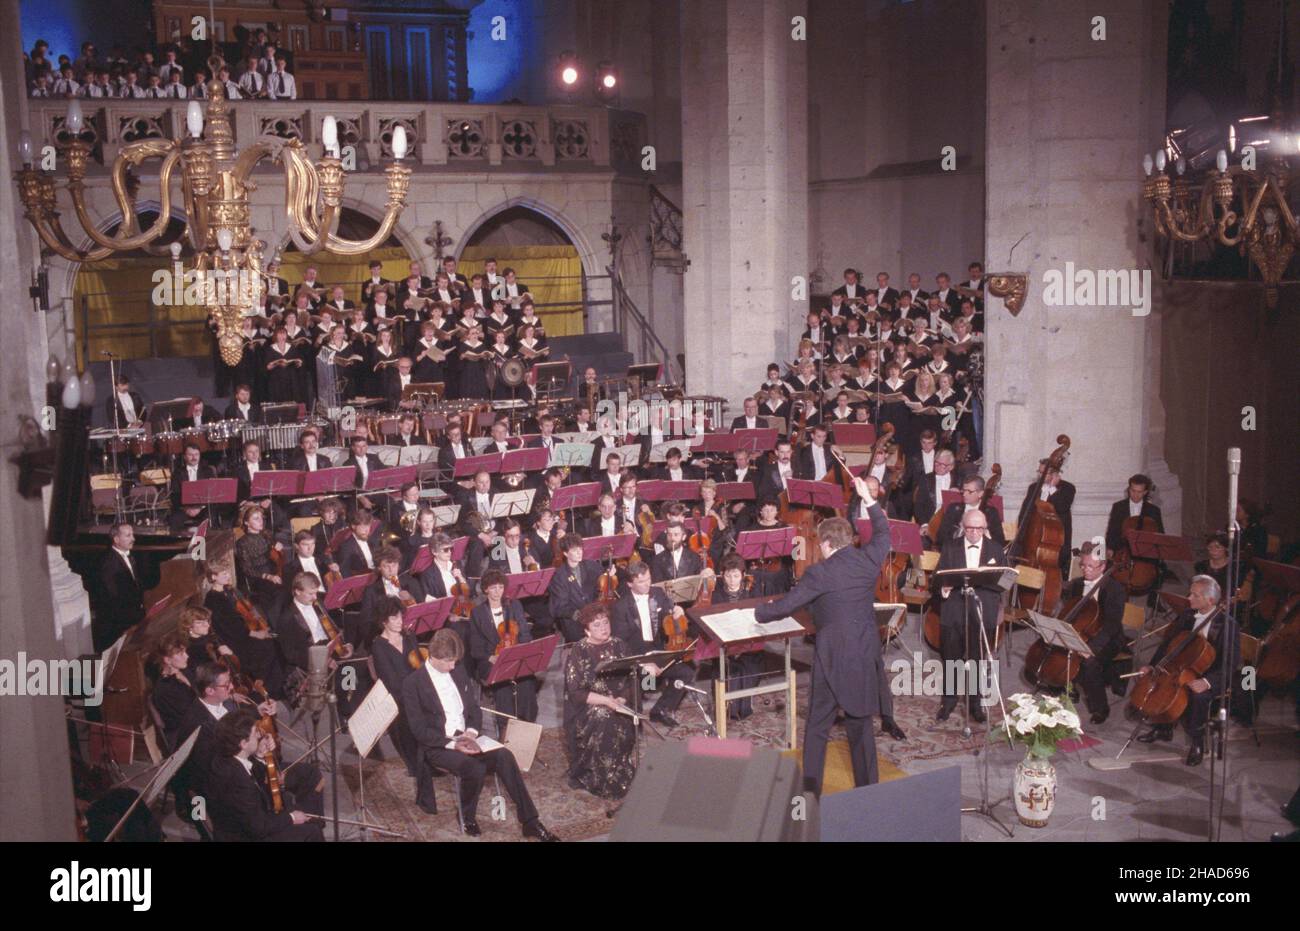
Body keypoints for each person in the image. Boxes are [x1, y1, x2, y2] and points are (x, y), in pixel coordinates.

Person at [754, 476, 890, 794]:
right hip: (864, 654)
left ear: (826, 544)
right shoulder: (868, 560)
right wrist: (868, 499)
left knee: (817, 727)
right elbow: (883, 533)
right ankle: (870, 792)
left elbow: (787, 606)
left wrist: (757, 613)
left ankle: (810, 793)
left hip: (831, 659)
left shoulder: (820, 572)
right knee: (860, 726)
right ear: (850, 540)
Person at [401, 629, 558, 839]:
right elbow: (419, 730)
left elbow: (474, 709)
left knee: (504, 755)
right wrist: (454, 744)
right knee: (473, 767)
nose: (453, 666)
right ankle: (467, 816)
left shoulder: (458, 670)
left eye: (455, 661)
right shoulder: (413, 683)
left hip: (466, 735)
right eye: (449, 662)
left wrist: (472, 732)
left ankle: (530, 821)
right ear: (434, 657)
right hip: (440, 744)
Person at [1135, 575, 1239, 766]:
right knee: (1162, 682)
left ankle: (1197, 743)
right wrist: (1152, 666)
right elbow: (1168, 646)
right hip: (1182, 668)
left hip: (1211, 675)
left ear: (1210, 600)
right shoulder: (1187, 616)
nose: (1189, 598)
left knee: (1199, 697)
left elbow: (1231, 664)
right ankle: (1163, 727)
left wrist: (1207, 682)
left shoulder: (1228, 625)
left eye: (1195, 595)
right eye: (1190, 593)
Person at [932, 508, 1005, 723]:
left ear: (985, 529)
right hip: (954, 608)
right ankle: (949, 700)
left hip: (982, 610)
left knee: (976, 659)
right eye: (970, 528)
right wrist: (943, 588)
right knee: (951, 658)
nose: (974, 533)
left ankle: (975, 703)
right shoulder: (950, 547)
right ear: (963, 527)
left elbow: (1004, 582)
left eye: (979, 528)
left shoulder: (996, 549)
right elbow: (937, 577)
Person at [206, 708, 324, 841]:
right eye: (255, 732)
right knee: (311, 832)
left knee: (306, 819)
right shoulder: (238, 782)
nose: (258, 735)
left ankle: (315, 822)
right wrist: (291, 818)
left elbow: (255, 779)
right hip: (246, 836)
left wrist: (261, 756)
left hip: (248, 822)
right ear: (243, 744)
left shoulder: (227, 758)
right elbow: (259, 827)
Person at [563, 603, 637, 799]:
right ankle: (601, 777)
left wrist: (622, 697)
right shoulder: (578, 651)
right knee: (604, 716)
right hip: (587, 707)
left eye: (605, 622)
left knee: (619, 714)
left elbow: (635, 680)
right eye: (596, 625)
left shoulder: (620, 645)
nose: (603, 628)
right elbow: (576, 693)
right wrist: (606, 701)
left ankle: (621, 769)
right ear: (586, 630)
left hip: (619, 701)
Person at [1059, 544, 1129, 725]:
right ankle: (1068, 687)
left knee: (1090, 663)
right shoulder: (1076, 585)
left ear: (1103, 567)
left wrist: (1091, 648)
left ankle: (1100, 708)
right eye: (1082, 565)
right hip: (1082, 631)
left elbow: (1112, 625)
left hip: (1108, 638)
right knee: (1058, 648)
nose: (1085, 570)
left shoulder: (1115, 589)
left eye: (1091, 566)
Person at [466, 569, 538, 731]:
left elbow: (525, 634)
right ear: (485, 589)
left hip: (516, 657)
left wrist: (520, 651)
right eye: (493, 588)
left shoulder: (514, 605)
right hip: (491, 660)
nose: (497, 592)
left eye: (500, 587)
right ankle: (505, 728)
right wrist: (491, 657)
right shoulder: (477, 613)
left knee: (526, 681)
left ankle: (527, 726)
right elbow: (476, 647)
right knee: (503, 686)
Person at [368, 596, 421, 777]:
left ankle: (432, 757)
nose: (400, 622)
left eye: (401, 617)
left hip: (417, 690)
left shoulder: (409, 636)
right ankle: (415, 763)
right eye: (394, 618)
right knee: (406, 714)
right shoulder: (379, 646)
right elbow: (391, 682)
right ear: (384, 621)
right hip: (399, 697)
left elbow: (420, 666)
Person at [95, 522, 146, 652]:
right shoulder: (109, 563)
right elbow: (113, 597)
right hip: (119, 622)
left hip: (132, 615)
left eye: (132, 534)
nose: (133, 539)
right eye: (128, 535)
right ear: (116, 539)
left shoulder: (129, 556)